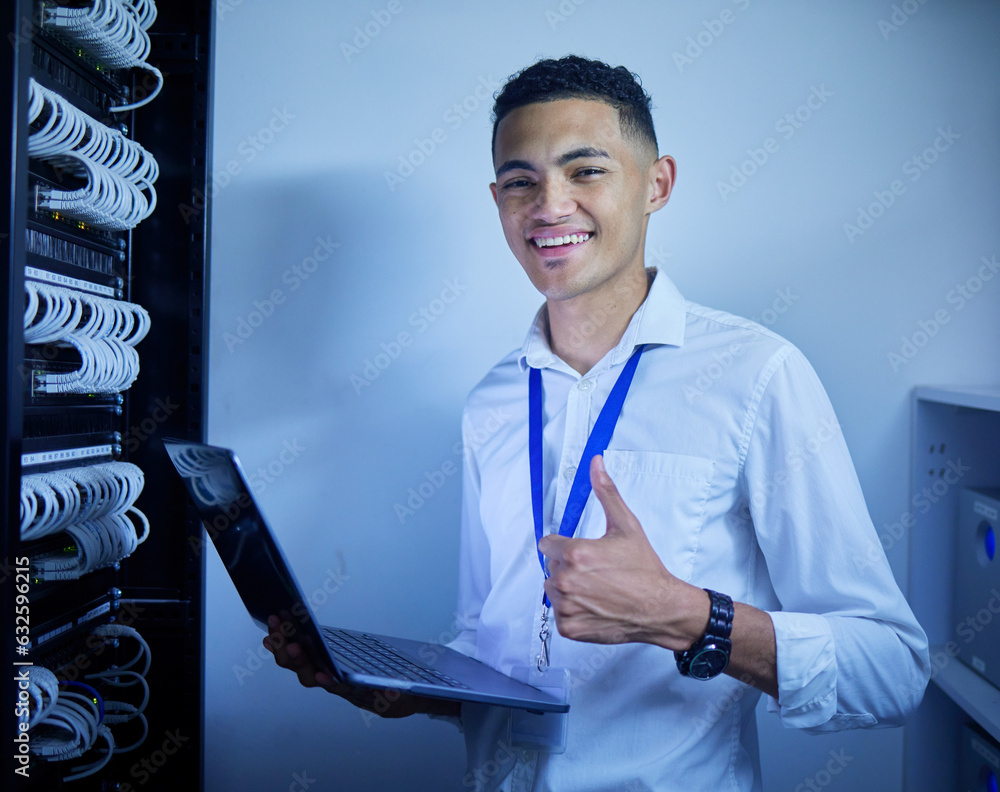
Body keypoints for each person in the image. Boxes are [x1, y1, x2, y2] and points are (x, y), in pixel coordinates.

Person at [266, 55, 930, 791]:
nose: (549, 205)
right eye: (521, 181)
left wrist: (686, 617)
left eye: (586, 171)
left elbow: (893, 669)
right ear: (497, 200)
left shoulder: (758, 375)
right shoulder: (492, 399)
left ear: (657, 184)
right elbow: (494, 652)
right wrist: (386, 688)